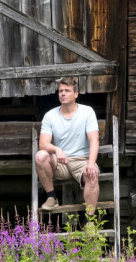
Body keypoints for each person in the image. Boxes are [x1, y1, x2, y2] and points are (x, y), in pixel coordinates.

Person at [34, 77, 100, 215]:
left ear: (76, 94)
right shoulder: (50, 116)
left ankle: (90, 221)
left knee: (92, 175)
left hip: (82, 161)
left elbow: (94, 140)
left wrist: (91, 164)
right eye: (60, 91)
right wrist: (56, 149)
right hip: (60, 162)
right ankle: (51, 197)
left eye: (67, 91)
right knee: (40, 156)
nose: (62, 94)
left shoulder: (87, 112)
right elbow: (43, 144)